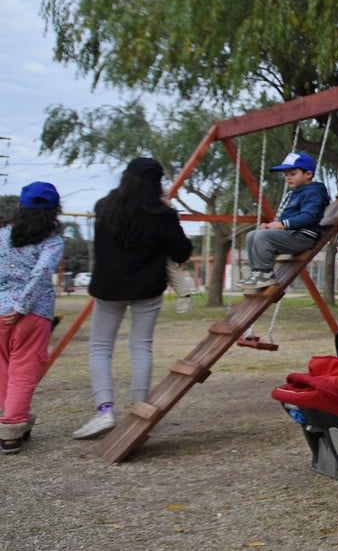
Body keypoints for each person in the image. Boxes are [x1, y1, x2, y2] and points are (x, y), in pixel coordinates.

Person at [73, 158, 193, 440]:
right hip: (146, 289)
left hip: (108, 288)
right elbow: (182, 252)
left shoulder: (104, 207)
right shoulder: (161, 214)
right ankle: (139, 409)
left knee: (100, 348)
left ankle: (104, 411)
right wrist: (170, 211)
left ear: (125, 177)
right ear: (157, 183)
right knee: (141, 347)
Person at [0, 182, 64, 453]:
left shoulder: (2, 236)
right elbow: (40, 274)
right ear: (55, 211)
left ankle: (7, 416)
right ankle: (12, 428)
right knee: (24, 370)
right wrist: (22, 306)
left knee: (3, 368)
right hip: (33, 315)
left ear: (19, 207)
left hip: (0, 310)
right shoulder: (52, 242)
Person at [237, 151, 330, 293]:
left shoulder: (313, 192)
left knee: (262, 237)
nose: (288, 178)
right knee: (252, 235)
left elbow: (309, 217)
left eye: (293, 174)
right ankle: (258, 273)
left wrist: (282, 225)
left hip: (303, 237)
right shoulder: (294, 193)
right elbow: (283, 219)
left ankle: (265, 274)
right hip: (291, 234)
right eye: (286, 175)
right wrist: (271, 226)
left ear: (308, 174)